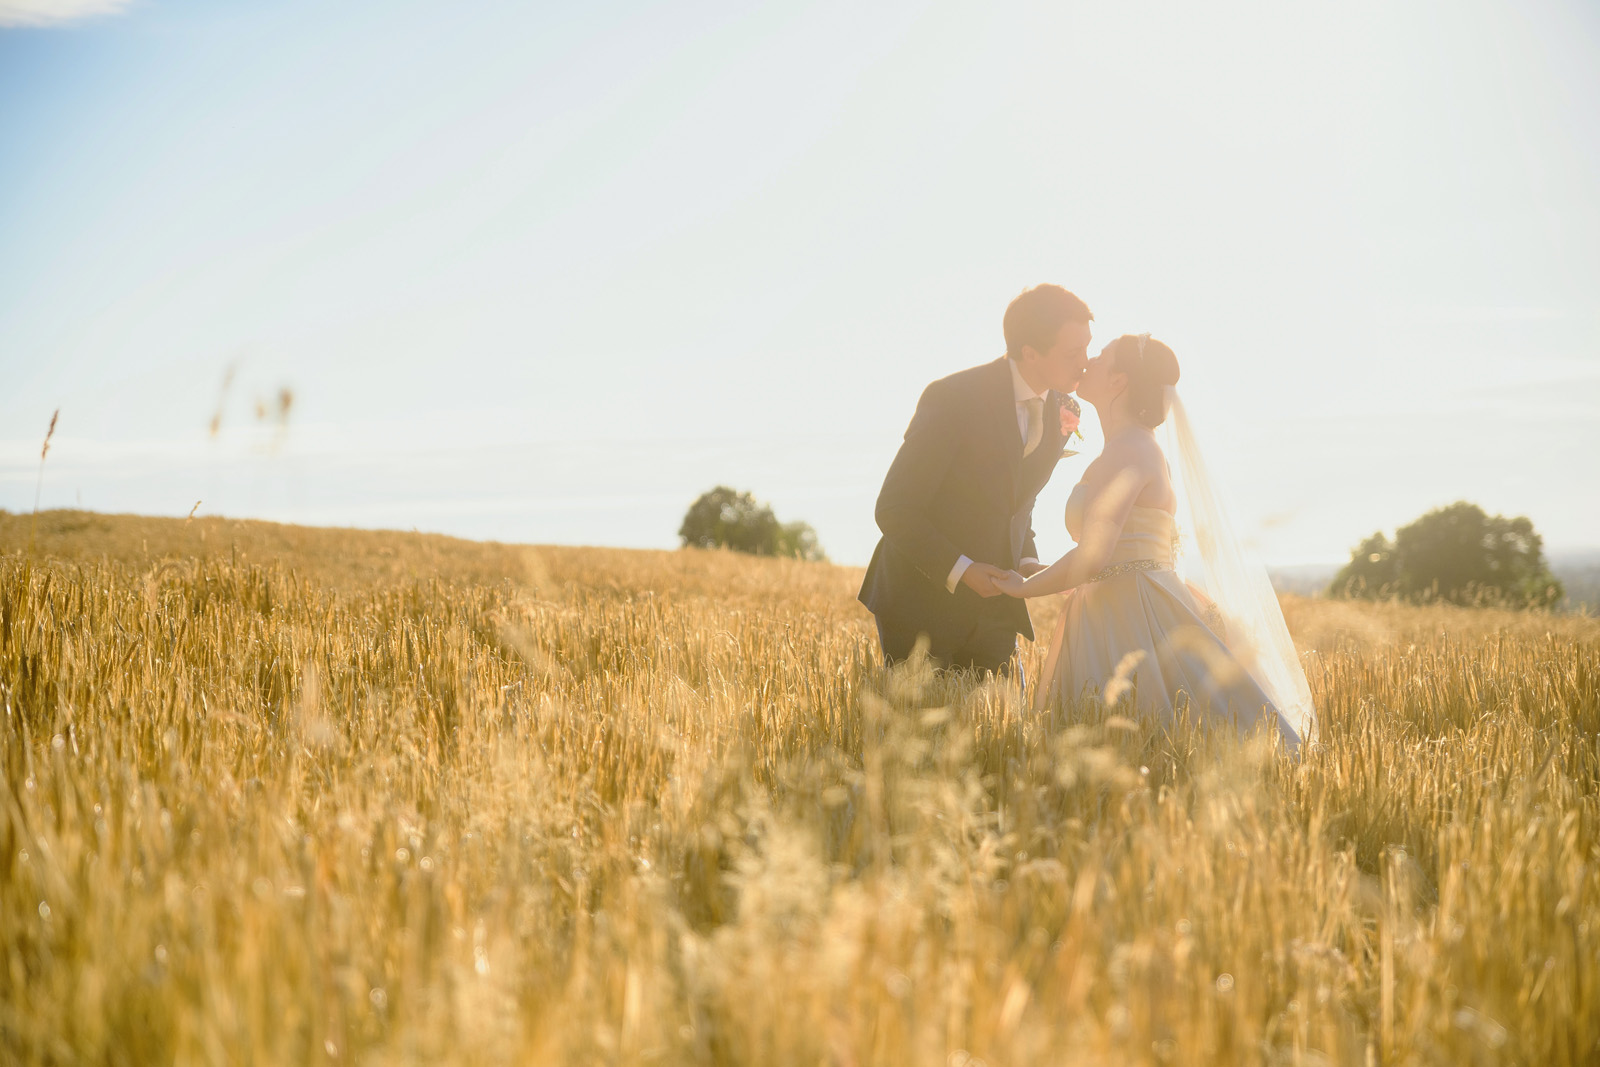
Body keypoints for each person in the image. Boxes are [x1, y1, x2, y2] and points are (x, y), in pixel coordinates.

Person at [994, 333, 1313, 750]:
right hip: (1126, 599)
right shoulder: (1136, 448)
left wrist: (1024, 588)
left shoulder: (1127, 451)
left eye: (1101, 356)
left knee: (1143, 737)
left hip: (1130, 614)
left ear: (1118, 381)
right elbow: (1119, 548)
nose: (1088, 360)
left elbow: (1096, 555)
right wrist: (1043, 569)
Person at [858, 284, 1091, 673]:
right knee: (922, 730)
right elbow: (895, 508)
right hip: (921, 603)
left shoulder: (1064, 409)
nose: (1086, 362)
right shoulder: (954, 397)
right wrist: (963, 570)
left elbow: (1019, 500)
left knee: (999, 728)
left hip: (998, 605)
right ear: (1030, 353)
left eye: (1087, 346)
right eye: (1073, 352)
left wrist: (1027, 559)